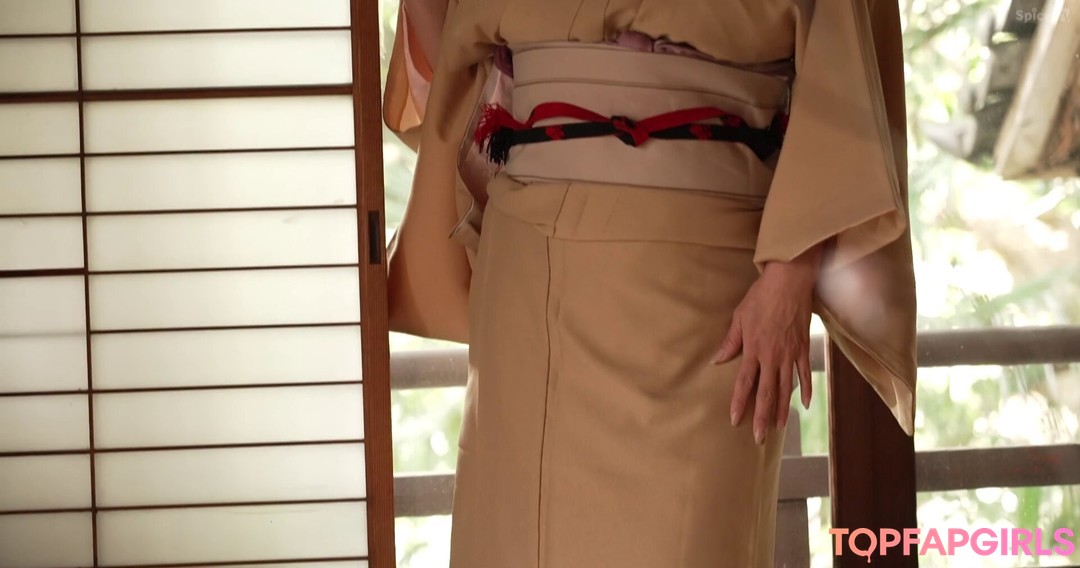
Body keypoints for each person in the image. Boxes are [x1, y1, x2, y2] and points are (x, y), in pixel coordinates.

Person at [383, 0, 917, 566]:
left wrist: (792, 273)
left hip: (706, 285)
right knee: (513, 540)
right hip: (529, 272)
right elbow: (450, 51)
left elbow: (843, 68)